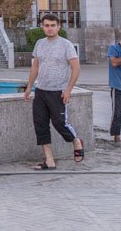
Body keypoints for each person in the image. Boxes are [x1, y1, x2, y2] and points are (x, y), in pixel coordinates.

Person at [23, 13, 84, 169]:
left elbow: (76, 67)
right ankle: (49, 160)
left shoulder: (66, 45)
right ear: (42, 27)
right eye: (46, 25)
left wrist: (68, 89)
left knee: (59, 123)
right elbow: (35, 66)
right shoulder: (39, 44)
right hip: (41, 90)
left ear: (58, 27)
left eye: (52, 25)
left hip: (58, 91)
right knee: (40, 125)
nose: (49, 28)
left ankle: (76, 141)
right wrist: (29, 86)